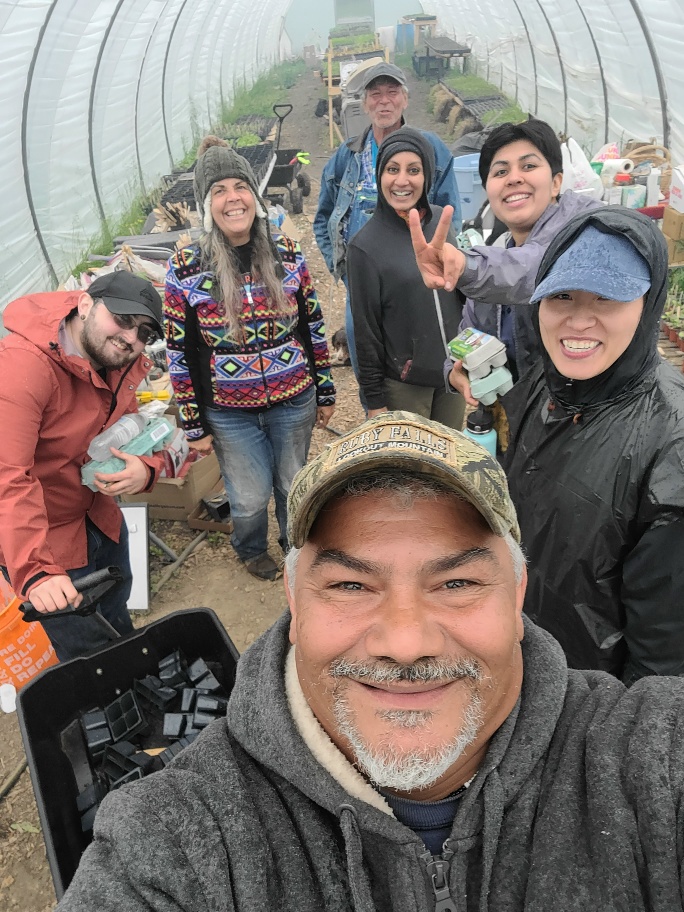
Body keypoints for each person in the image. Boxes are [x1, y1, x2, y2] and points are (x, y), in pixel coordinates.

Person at [56, 410, 684, 912]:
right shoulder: (177, 837)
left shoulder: (647, 757)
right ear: (295, 606)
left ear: (517, 596)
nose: (405, 643)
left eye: (458, 583)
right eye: (351, 587)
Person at [500, 205, 684, 684]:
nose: (579, 321)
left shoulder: (671, 444)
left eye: (607, 298)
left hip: (593, 695)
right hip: (522, 648)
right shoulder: (548, 380)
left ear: (648, 306)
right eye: (562, 295)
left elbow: (664, 647)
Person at [165, 137, 335, 582]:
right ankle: (250, 546)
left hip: (293, 400)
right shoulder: (185, 264)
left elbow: (312, 325)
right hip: (229, 414)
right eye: (218, 190)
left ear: (255, 196)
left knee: (293, 483)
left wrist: (325, 389)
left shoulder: (286, 250)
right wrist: (193, 424)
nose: (232, 198)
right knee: (249, 495)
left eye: (240, 185)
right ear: (206, 205)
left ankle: (293, 544)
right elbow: (179, 352)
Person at [0, 272, 165, 660]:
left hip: (101, 518)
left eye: (144, 332)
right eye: (123, 320)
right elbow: (8, 477)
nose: (131, 338)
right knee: (86, 650)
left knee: (116, 615)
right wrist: (36, 569)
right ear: (86, 305)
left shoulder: (117, 359)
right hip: (47, 542)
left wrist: (145, 469)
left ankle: (133, 677)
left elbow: (133, 428)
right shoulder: (23, 369)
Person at [407, 119, 602, 402]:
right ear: (489, 191)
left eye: (529, 166)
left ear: (556, 182)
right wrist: (454, 371)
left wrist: (465, 265)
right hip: (520, 422)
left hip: (585, 425)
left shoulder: (587, 232)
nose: (513, 178)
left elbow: (538, 267)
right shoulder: (500, 249)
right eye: (500, 171)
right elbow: (470, 333)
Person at [314, 62, 461, 397]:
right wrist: (343, 270)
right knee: (370, 363)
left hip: (417, 283)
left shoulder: (433, 149)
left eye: (392, 92)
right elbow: (323, 218)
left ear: (405, 99)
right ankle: (380, 425)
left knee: (426, 362)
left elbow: (452, 218)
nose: (384, 101)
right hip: (363, 284)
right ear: (364, 103)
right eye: (375, 94)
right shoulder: (347, 156)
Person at [347, 126, 464, 428]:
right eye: (392, 169)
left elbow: (460, 293)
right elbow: (366, 330)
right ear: (379, 176)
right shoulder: (365, 246)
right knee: (411, 471)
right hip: (404, 385)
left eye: (413, 170)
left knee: (449, 464)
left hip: (454, 375)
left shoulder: (440, 221)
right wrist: (375, 401)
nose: (402, 181)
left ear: (426, 177)